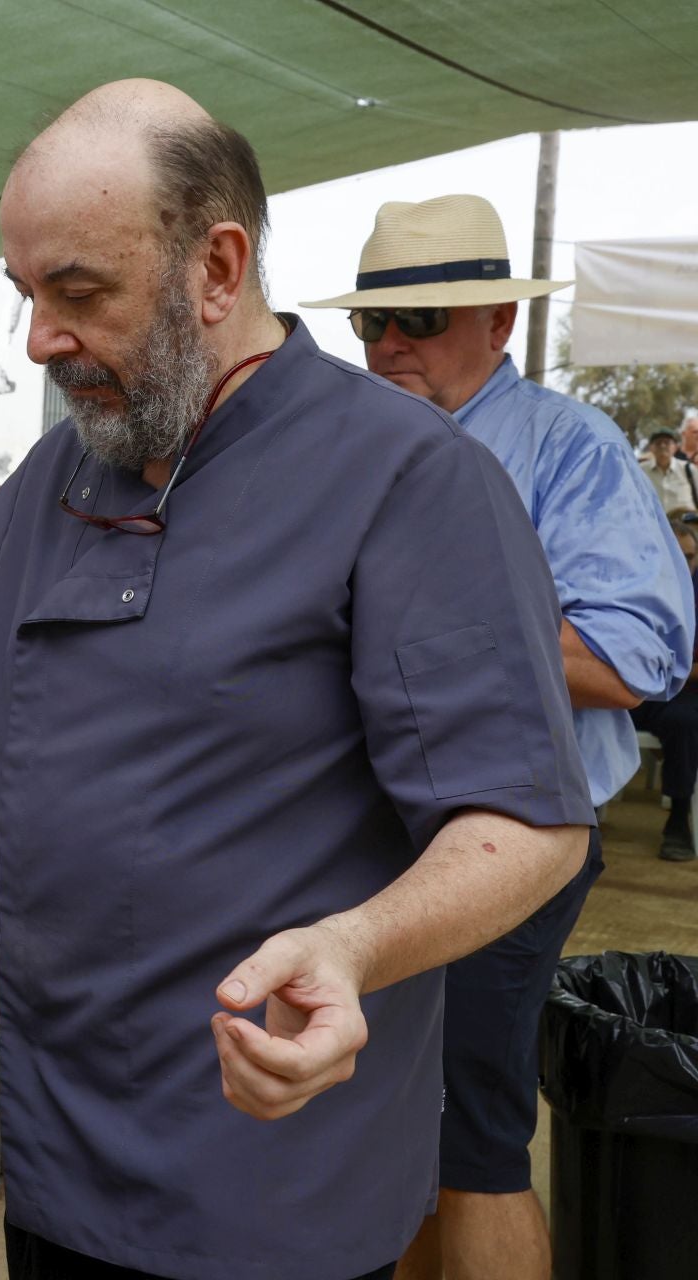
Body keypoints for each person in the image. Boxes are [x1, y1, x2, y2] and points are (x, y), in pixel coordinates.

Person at [0, 79, 590, 1280]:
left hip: (266, 1163)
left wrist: (358, 945)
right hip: (59, 1137)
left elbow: (526, 822)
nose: (38, 339)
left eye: (80, 292)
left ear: (219, 267)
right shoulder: (70, 464)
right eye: (27, 294)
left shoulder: (406, 479)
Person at [306, 191, 694, 1280]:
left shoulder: (569, 447)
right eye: (371, 322)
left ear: (499, 322)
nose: (390, 343)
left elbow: (633, 657)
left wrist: (411, 633)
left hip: (508, 835)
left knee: (472, 1137)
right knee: (400, 1131)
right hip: (376, 840)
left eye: (421, 321)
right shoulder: (351, 446)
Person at [633, 513, 698, 863]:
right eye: (675, 554)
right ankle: (587, 809)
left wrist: (674, 671)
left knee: (684, 724)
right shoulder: (634, 588)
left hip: (680, 692)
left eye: (690, 556)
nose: (683, 563)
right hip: (633, 689)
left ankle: (678, 816)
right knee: (583, 711)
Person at [641, 429, 698, 514]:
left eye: (667, 442)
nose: (662, 446)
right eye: (658, 443)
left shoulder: (688, 469)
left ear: (675, 447)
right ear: (651, 448)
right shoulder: (641, 471)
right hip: (653, 521)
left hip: (687, 520)